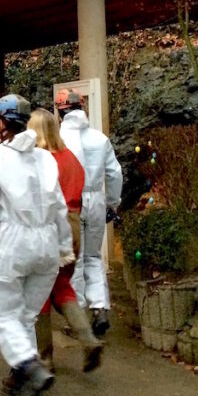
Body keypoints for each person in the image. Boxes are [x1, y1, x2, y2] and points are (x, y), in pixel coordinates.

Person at [0, 94, 73, 396]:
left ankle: (31, 369)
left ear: (0, 123)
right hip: (48, 243)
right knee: (26, 315)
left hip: (14, 242)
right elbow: (59, 208)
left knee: (7, 316)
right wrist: (64, 248)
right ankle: (21, 376)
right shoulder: (45, 158)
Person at [27, 108, 102, 372]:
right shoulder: (70, 157)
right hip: (73, 225)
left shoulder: (40, 160)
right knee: (62, 287)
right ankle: (88, 339)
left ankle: (45, 357)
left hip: (50, 227)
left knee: (40, 293)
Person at [56, 91, 123, 336]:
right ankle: (100, 307)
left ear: (61, 111)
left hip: (69, 202)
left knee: (74, 260)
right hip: (96, 199)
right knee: (93, 257)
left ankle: (78, 321)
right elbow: (115, 173)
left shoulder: (58, 139)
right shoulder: (99, 138)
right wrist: (112, 204)